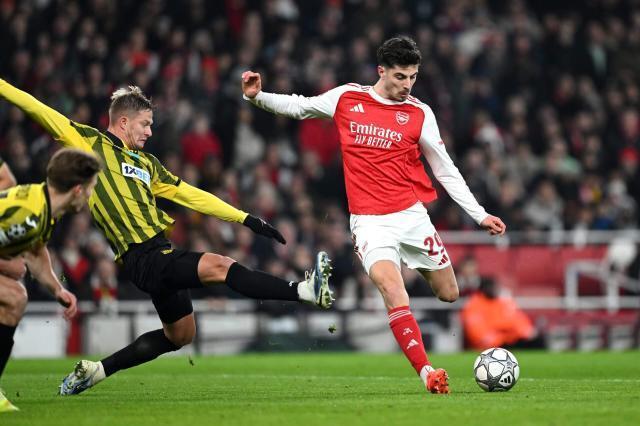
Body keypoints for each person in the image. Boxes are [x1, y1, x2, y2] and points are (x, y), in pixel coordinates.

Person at [0, 80, 334, 396]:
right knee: (221, 265)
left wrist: (245, 218)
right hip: (141, 256)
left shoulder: (148, 164)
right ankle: (304, 291)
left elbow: (191, 195)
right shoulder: (90, 143)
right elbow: (36, 108)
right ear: (123, 121)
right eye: (145, 124)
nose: (149, 131)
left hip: (159, 252)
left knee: (180, 335)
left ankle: (96, 371)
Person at [242, 36, 506, 394]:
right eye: (400, 76)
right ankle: (427, 372)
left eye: (413, 77)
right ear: (381, 71)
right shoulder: (348, 98)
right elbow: (300, 106)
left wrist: (479, 214)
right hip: (370, 223)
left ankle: (414, 272)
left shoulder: (420, 113)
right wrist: (257, 96)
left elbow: (445, 169)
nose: (407, 85)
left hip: (411, 217)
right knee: (393, 290)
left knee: (449, 293)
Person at [0, 148, 100, 412]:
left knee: (14, 299)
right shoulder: (28, 215)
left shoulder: (42, 206)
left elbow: (36, 253)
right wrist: (7, 264)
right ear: (77, 190)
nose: (90, 196)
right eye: (90, 189)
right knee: (14, 296)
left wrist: (58, 290)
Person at [460, 278, 536, 350]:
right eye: (491, 287)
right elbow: (476, 331)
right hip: (493, 343)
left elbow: (519, 320)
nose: (494, 289)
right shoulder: (474, 304)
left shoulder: (504, 302)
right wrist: (499, 339)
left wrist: (524, 333)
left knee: (536, 341)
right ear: (483, 289)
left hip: (511, 339)